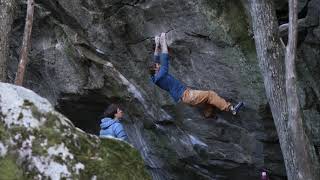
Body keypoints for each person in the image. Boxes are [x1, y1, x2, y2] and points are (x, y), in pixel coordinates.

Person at [149, 33, 243, 118]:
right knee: (210, 95)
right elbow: (164, 56)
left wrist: (157, 44)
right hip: (188, 96)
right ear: (156, 70)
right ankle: (231, 108)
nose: (159, 65)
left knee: (206, 99)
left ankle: (208, 114)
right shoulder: (162, 74)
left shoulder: (155, 78)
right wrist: (162, 40)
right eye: (158, 66)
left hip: (186, 97)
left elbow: (156, 60)